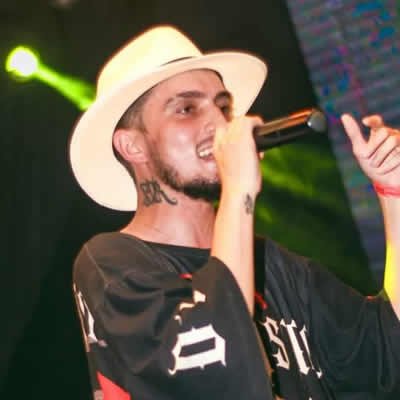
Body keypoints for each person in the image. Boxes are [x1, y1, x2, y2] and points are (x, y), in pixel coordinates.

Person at [69, 25, 400, 400]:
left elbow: (387, 352)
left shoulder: (274, 267)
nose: (220, 123)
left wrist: (394, 192)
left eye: (223, 107)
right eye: (187, 109)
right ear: (133, 146)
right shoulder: (112, 264)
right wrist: (239, 186)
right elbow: (219, 360)